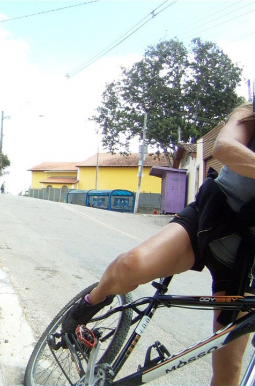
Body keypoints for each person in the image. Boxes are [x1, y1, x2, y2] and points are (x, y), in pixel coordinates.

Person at [62, 102, 255, 386]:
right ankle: (90, 303)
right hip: (211, 219)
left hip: (245, 258)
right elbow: (224, 147)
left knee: (228, 370)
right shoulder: (249, 113)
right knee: (131, 266)